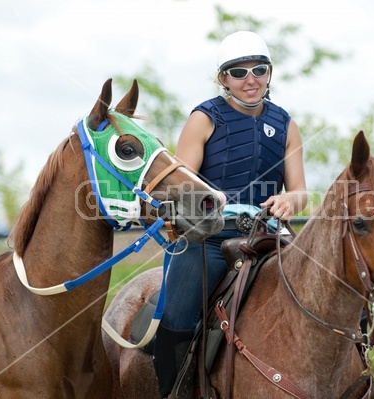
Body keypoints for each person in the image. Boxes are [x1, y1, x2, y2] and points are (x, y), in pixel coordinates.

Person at [153, 30, 308, 398]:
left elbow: (299, 190)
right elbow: (180, 187)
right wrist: (205, 203)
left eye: (259, 69)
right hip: (210, 238)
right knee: (177, 318)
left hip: (269, 236)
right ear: (223, 78)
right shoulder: (203, 119)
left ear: (269, 73)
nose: (250, 79)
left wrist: (290, 202)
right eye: (238, 72)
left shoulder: (286, 124)